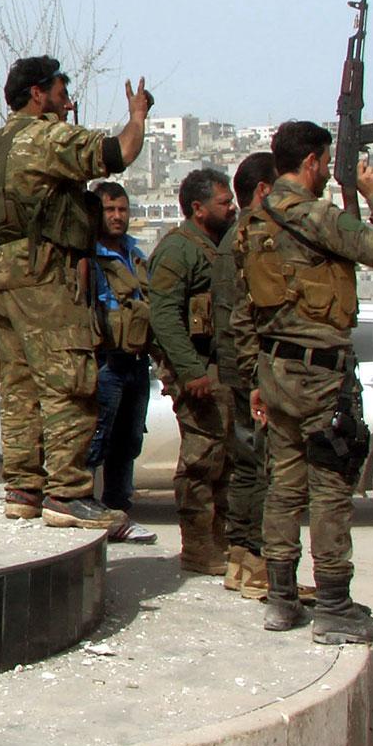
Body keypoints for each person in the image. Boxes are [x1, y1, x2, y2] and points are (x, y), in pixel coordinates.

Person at [236, 119, 373, 643]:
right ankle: (334, 602)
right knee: (330, 483)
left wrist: (254, 376)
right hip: (318, 370)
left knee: (284, 486)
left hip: (274, 368)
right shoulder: (315, 216)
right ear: (312, 162)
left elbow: (244, 310)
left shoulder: (253, 220)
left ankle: (282, 597)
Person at [0, 57, 153, 528]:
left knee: (21, 386)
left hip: (7, 277)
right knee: (70, 380)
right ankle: (67, 493)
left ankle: (23, 488)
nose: (65, 97)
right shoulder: (47, 139)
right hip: (48, 272)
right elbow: (118, 153)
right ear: (37, 93)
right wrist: (137, 117)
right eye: (60, 89)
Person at [147, 168, 238, 576]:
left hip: (221, 368)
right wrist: (190, 371)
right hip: (198, 371)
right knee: (201, 460)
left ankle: (223, 542)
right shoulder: (178, 251)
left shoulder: (218, 247)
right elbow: (164, 316)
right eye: (224, 202)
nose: (231, 207)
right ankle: (199, 546)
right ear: (198, 209)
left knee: (226, 460)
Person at [220, 151, 277, 599]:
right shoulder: (253, 238)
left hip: (240, 367)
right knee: (261, 468)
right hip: (254, 369)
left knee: (244, 467)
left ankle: (241, 559)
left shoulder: (232, 238)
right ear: (263, 191)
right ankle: (255, 562)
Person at [87, 181, 157, 542]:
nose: (117, 216)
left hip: (135, 361)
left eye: (122, 209)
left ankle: (118, 511)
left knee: (127, 442)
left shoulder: (134, 254)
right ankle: (83, 507)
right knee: (95, 439)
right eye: (109, 210)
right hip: (105, 361)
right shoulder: (88, 257)